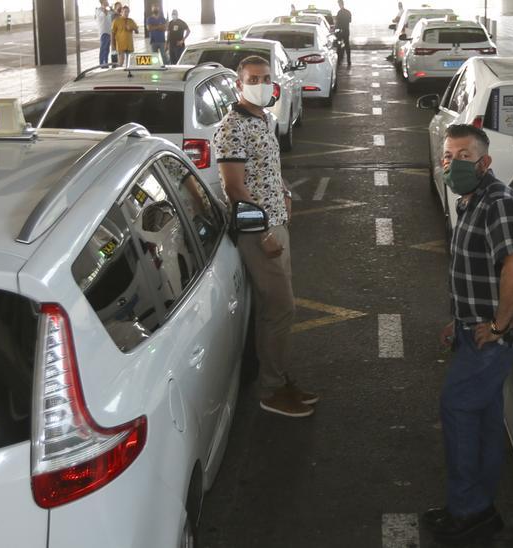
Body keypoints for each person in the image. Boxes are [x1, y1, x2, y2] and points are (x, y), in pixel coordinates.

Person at [423, 124, 513, 544]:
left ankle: (467, 510)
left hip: (490, 338)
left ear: (485, 162)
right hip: (473, 328)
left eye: (464, 156)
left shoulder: (497, 203)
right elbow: (476, 271)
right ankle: (480, 507)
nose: (453, 164)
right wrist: (460, 319)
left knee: (457, 407)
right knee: (484, 418)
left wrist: (500, 325)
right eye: (448, 156)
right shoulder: (470, 200)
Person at [214, 55, 319, 418]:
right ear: (239, 85)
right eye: (253, 79)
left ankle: (277, 378)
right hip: (259, 232)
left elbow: (267, 170)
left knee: (273, 310)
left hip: (275, 224)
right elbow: (234, 187)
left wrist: (285, 192)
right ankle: (271, 390)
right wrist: (262, 234)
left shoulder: (262, 119)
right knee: (280, 309)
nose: (261, 84)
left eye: (265, 78)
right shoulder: (232, 128)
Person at [95, 0, 117, 66]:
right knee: (103, 48)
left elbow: (114, 14)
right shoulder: (98, 10)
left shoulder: (108, 10)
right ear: (103, 2)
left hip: (109, 32)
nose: (107, 1)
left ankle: (106, 63)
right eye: (106, 1)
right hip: (104, 32)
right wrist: (105, 8)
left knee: (107, 49)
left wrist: (111, 9)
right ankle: (102, 63)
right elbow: (104, 14)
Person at [335, 0, 352, 66]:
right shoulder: (348, 12)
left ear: (340, 4)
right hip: (346, 30)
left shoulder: (339, 12)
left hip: (340, 31)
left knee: (339, 45)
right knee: (347, 45)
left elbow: (337, 22)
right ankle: (348, 61)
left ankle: (339, 61)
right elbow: (350, 20)